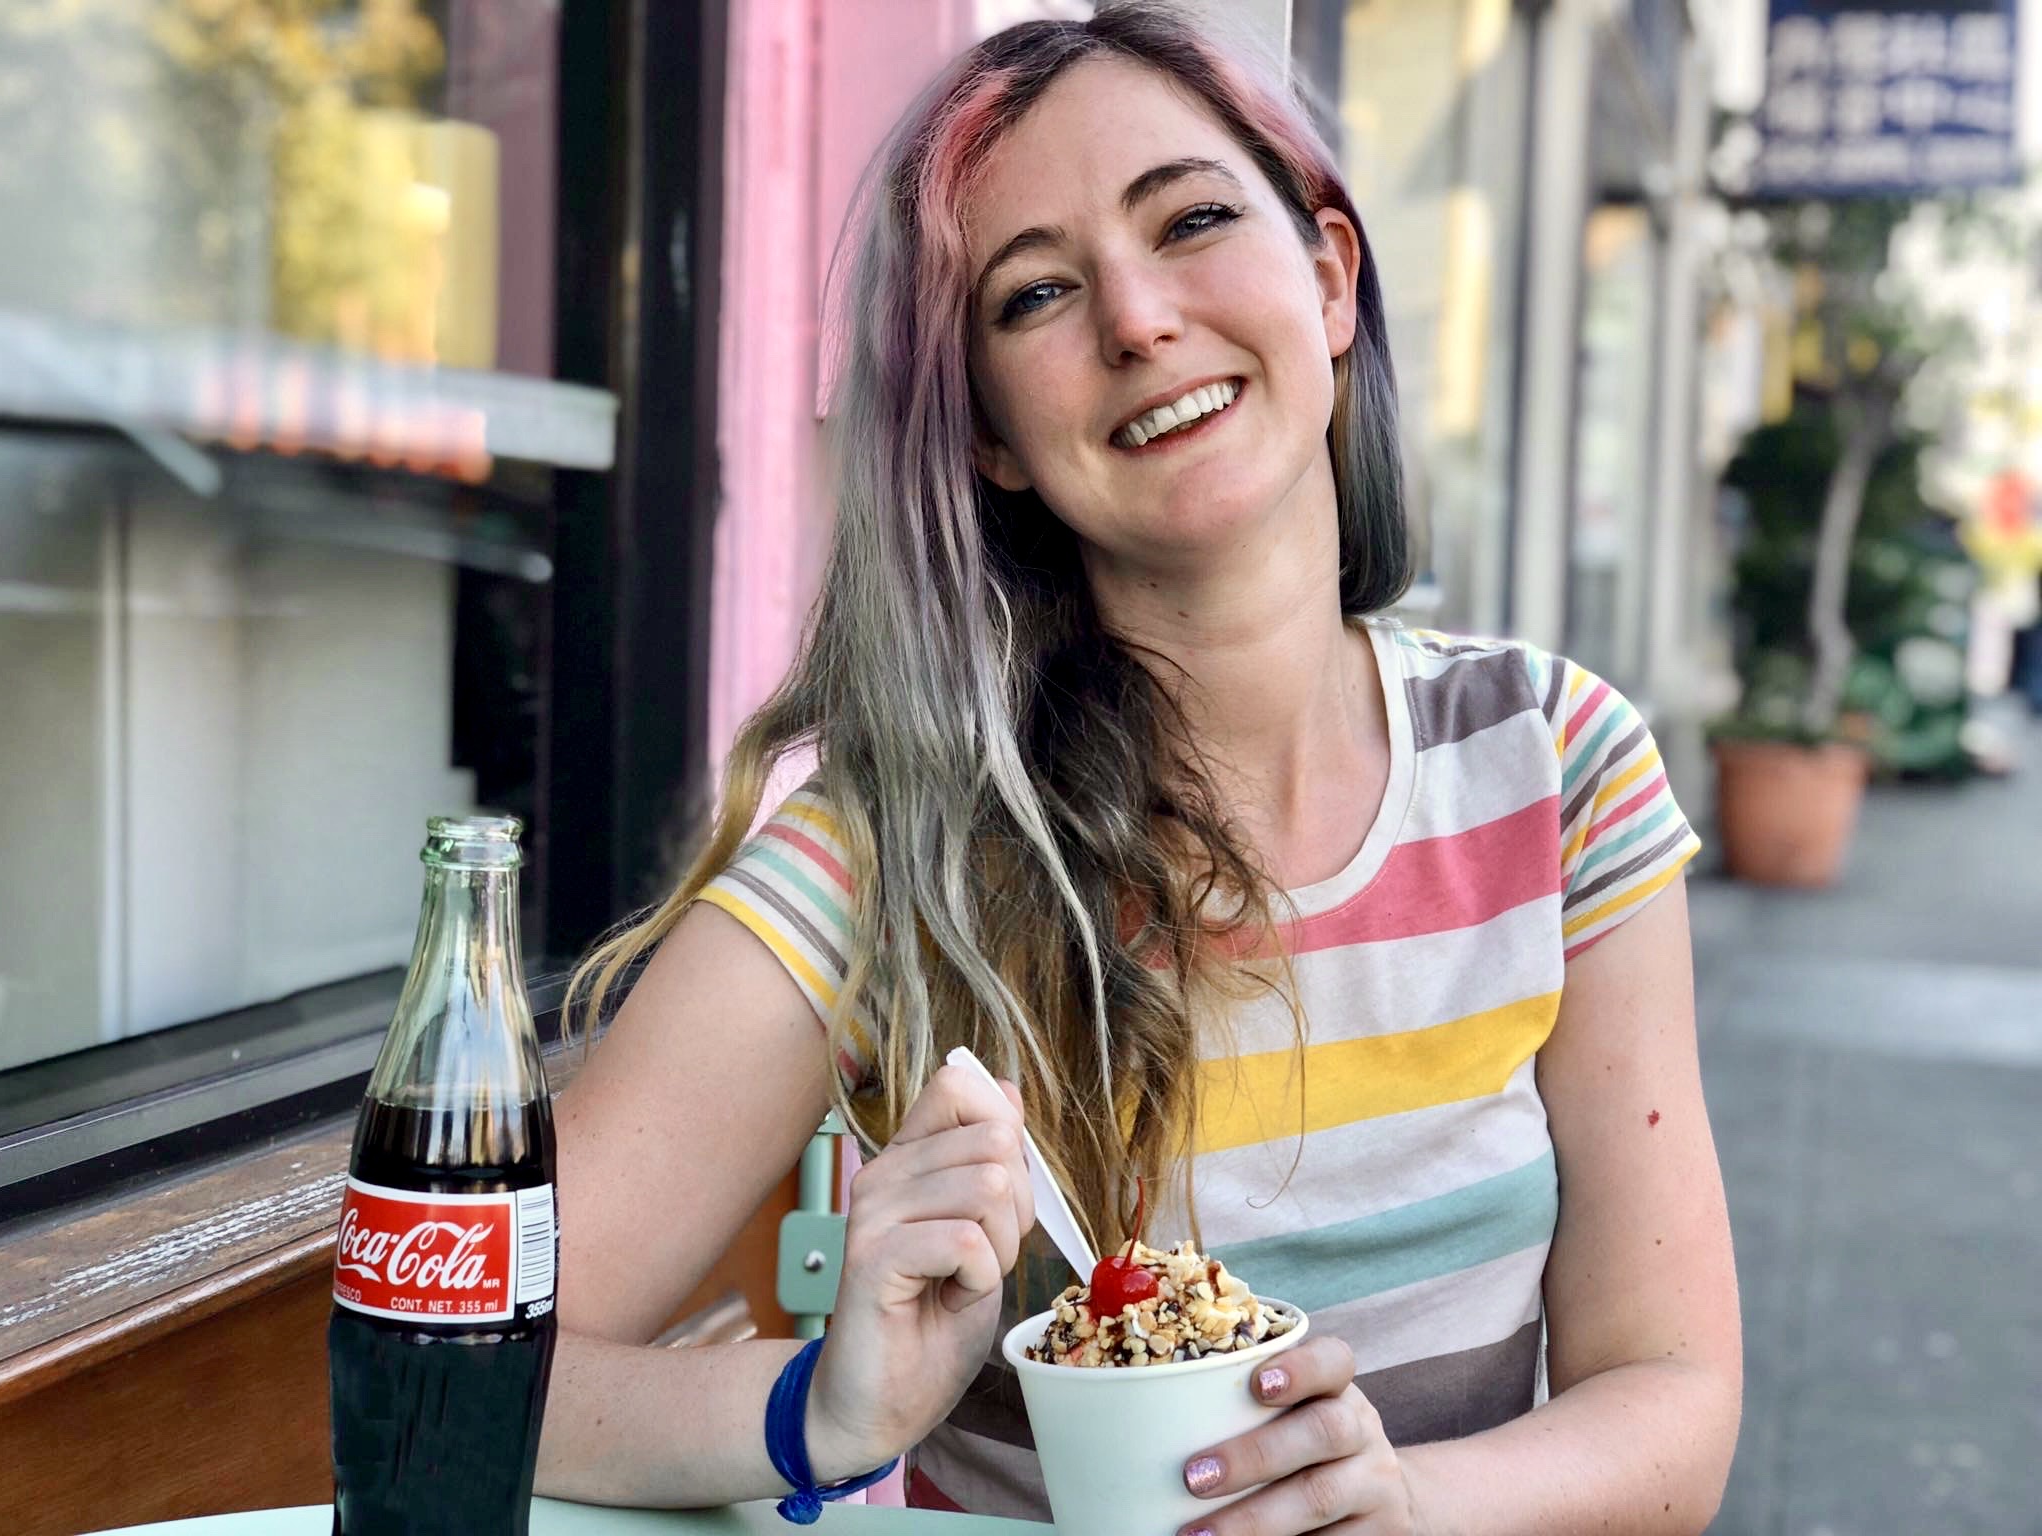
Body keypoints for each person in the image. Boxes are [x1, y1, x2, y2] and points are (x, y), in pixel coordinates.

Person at [535, 6, 1742, 1532]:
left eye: (1194, 219)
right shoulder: (897, 853)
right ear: (988, 438)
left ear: (1329, 276)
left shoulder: (1557, 770)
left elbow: (1675, 1399)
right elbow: (451, 1356)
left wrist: (1400, 1510)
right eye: (1035, 293)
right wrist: (820, 1408)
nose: (1139, 317)